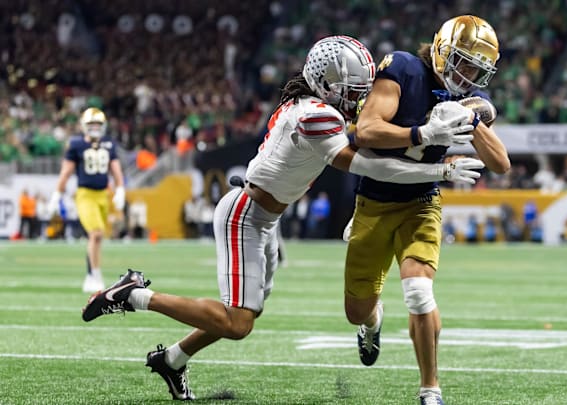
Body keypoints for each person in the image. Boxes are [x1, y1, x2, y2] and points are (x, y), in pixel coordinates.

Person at [80, 35, 485, 401]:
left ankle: (172, 359)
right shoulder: (317, 115)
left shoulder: (309, 106)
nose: (360, 98)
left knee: (244, 311)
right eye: (353, 89)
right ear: (327, 82)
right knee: (238, 322)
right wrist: (437, 164)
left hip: (264, 219)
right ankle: (132, 294)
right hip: (246, 215)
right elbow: (372, 167)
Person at [343, 15, 510, 405]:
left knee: (419, 291)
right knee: (356, 310)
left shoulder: (467, 98)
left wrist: (469, 118)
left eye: (476, 69)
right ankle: (372, 322)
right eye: (463, 63)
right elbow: (367, 130)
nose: (467, 75)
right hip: (374, 201)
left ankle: (430, 388)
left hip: (421, 203)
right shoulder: (402, 68)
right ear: (441, 50)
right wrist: (422, 133)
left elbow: (501, 164)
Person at [49, 107, 125, 292]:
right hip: (85, 195)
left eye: (98, 124)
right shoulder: (76, 144)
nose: (95, 127)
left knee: (97, 237)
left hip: (103, 195)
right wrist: (57, 194)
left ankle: (90, 274)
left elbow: (115, 168)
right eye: (91, 124)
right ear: (84, 125)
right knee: (96, 234)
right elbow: (66, 172)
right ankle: (96, 275)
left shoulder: (108, 144)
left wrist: (120, 188)